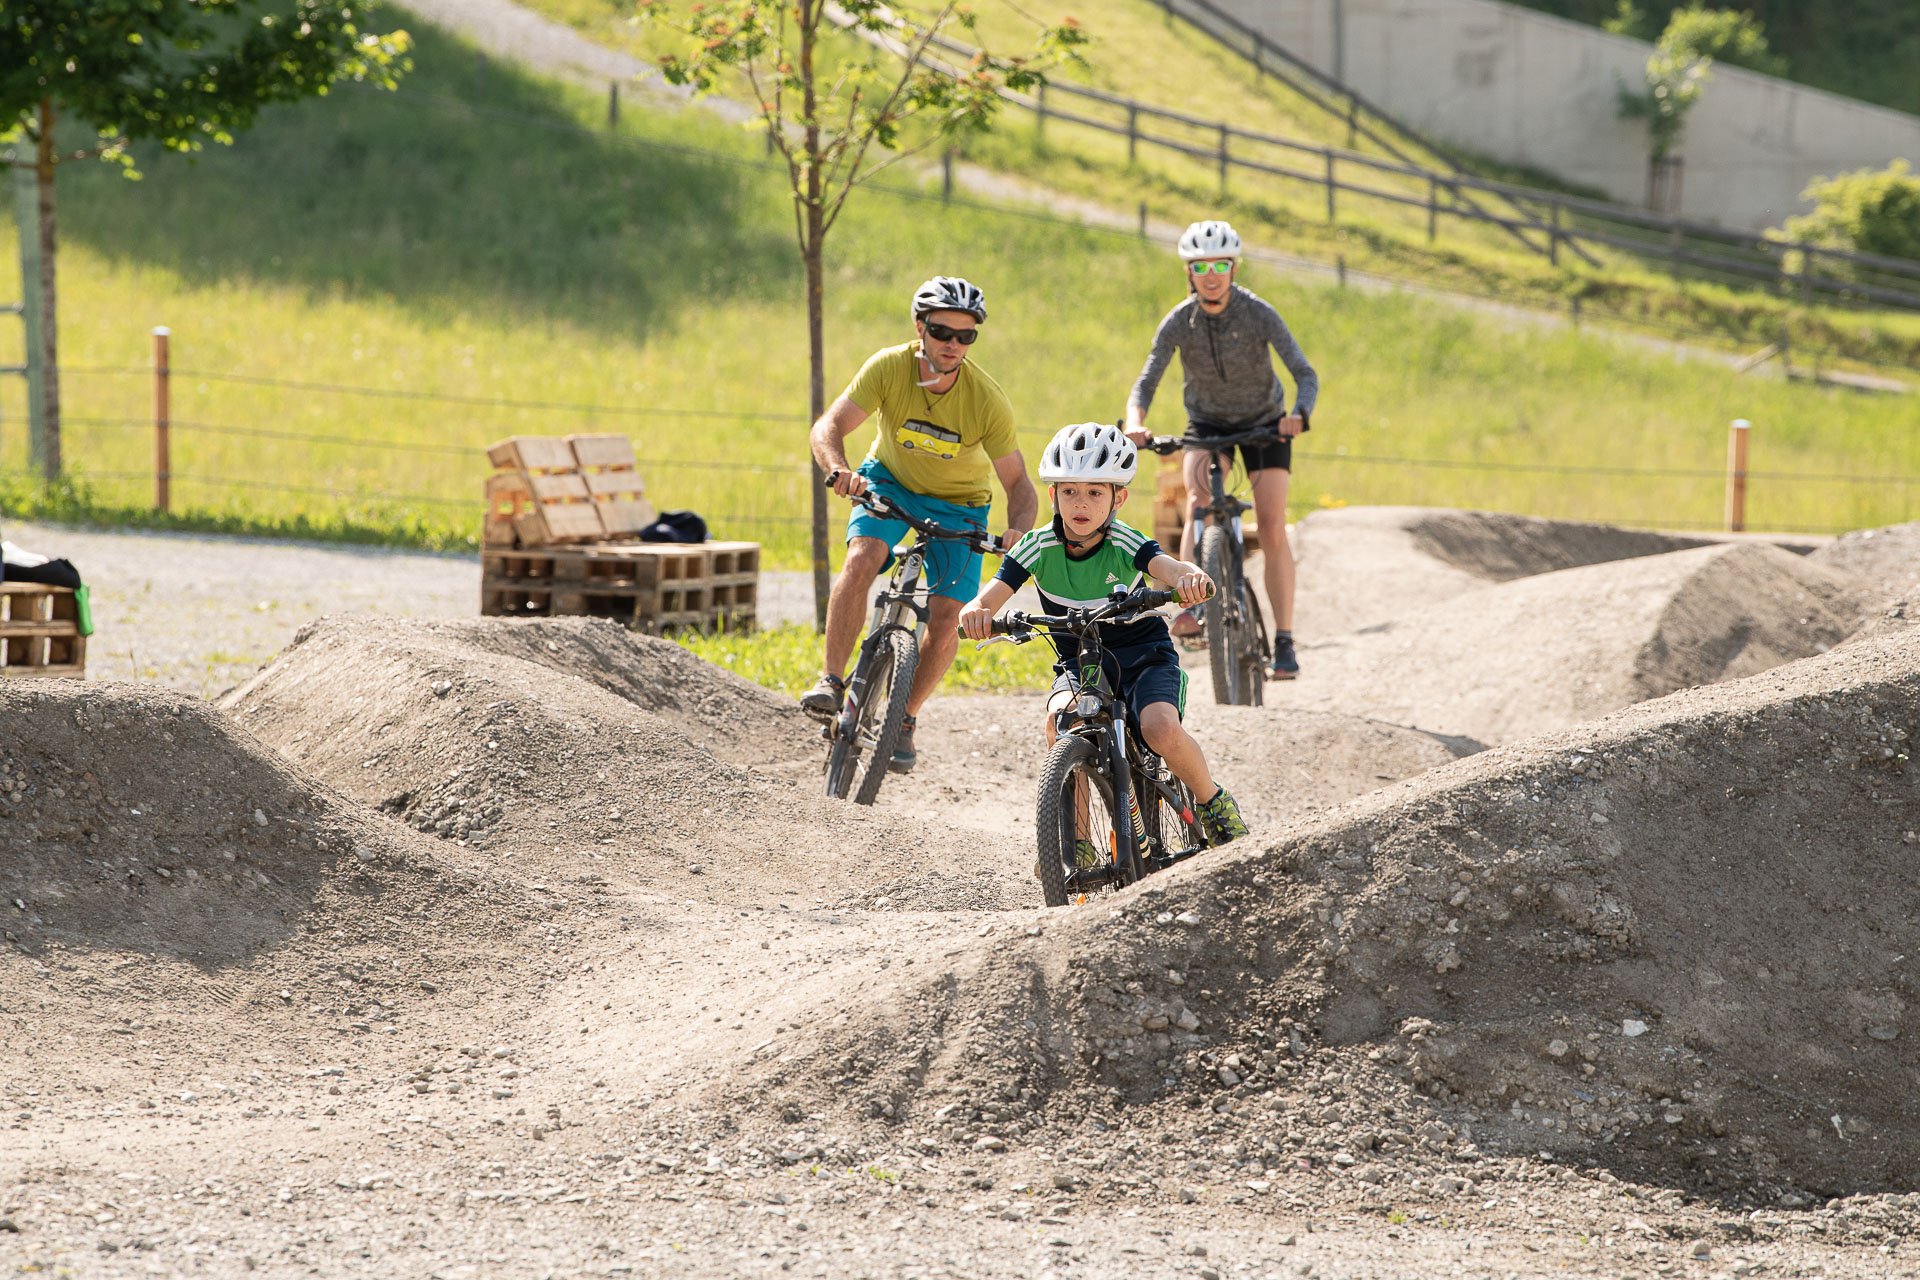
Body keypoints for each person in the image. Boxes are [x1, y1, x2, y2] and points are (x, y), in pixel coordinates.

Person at [959, 422, 1249, 859]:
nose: (1081, 503)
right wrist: (976, 614)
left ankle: (1213, 803)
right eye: (1070, 491)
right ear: (1053, 495)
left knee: (1159, 729)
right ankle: (1078, 844)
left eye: (1096, 493)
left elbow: (1167, 567)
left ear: (1119, 498)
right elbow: (990, 595)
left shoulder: (1123, 541)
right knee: (1061, 725)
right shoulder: (1036, 547)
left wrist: (1190, 578)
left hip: (1144, 658)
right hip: (1080, 664)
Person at [803, 276, 1039, 773]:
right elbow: (828, 426)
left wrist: (1017, 529)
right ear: (920, 328)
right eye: (942, 332)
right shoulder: (889, 367)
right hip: (887, 482)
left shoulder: (986, 399)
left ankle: (904, 716)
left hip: (962, 504)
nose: (953, 344)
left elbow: (1019, 483)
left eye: (966, 336)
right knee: (862, 558)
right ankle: (830, 680)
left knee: (950, 613)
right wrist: (837, 469)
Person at [1123, 219, 1319, 680]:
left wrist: (1299, 414)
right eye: (1201, 266)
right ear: (1189, 272)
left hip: (1266, 425)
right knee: (1197, 503)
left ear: (1233, 267)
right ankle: (1188, 606)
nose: (1211, 274)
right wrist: (1135, 421)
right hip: (1207, 424)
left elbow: (1304, 372)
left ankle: (1285, 640)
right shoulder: (1179, 321)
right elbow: (1147, 378)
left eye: (1220, 265)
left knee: (1271, 525)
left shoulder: (1257, 313)